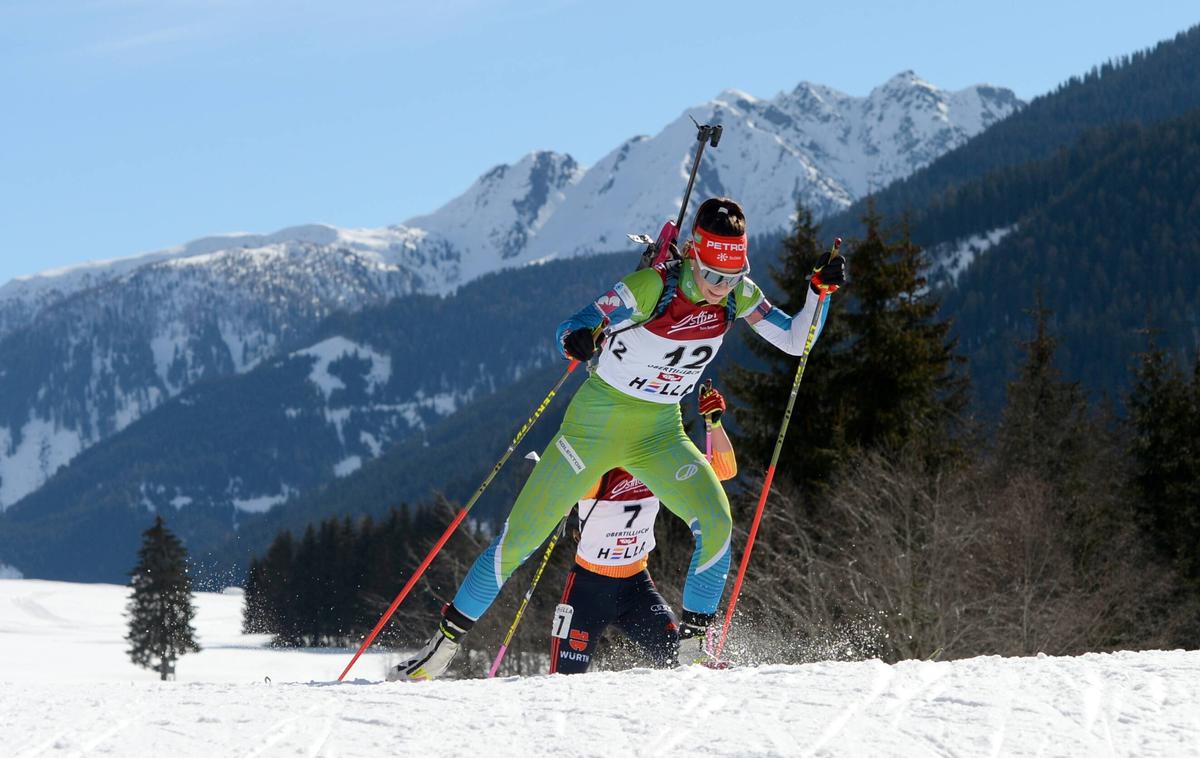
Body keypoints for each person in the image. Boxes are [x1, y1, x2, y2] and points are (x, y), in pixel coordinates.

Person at [390, 196, 844, 681]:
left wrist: (819, 291)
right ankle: (442, 647)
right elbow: (577, 321)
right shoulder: (652, 288)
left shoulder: (739, 296)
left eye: (731, 278)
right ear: (693, 253)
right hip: (594, 428)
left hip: (658, 432)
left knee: (716, 519)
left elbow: (798, 342)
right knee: (521, 538)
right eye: (713, 276)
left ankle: (692, 648)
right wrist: (578, 338)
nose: (719, 289)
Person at [550, 383, 736, 674]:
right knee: (562, 680)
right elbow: (558, 487)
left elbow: (723, 470)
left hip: (637, 588)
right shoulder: (600, 475)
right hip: (588, 590)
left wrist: (714, 424)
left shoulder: (661, 468)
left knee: (684, 665)